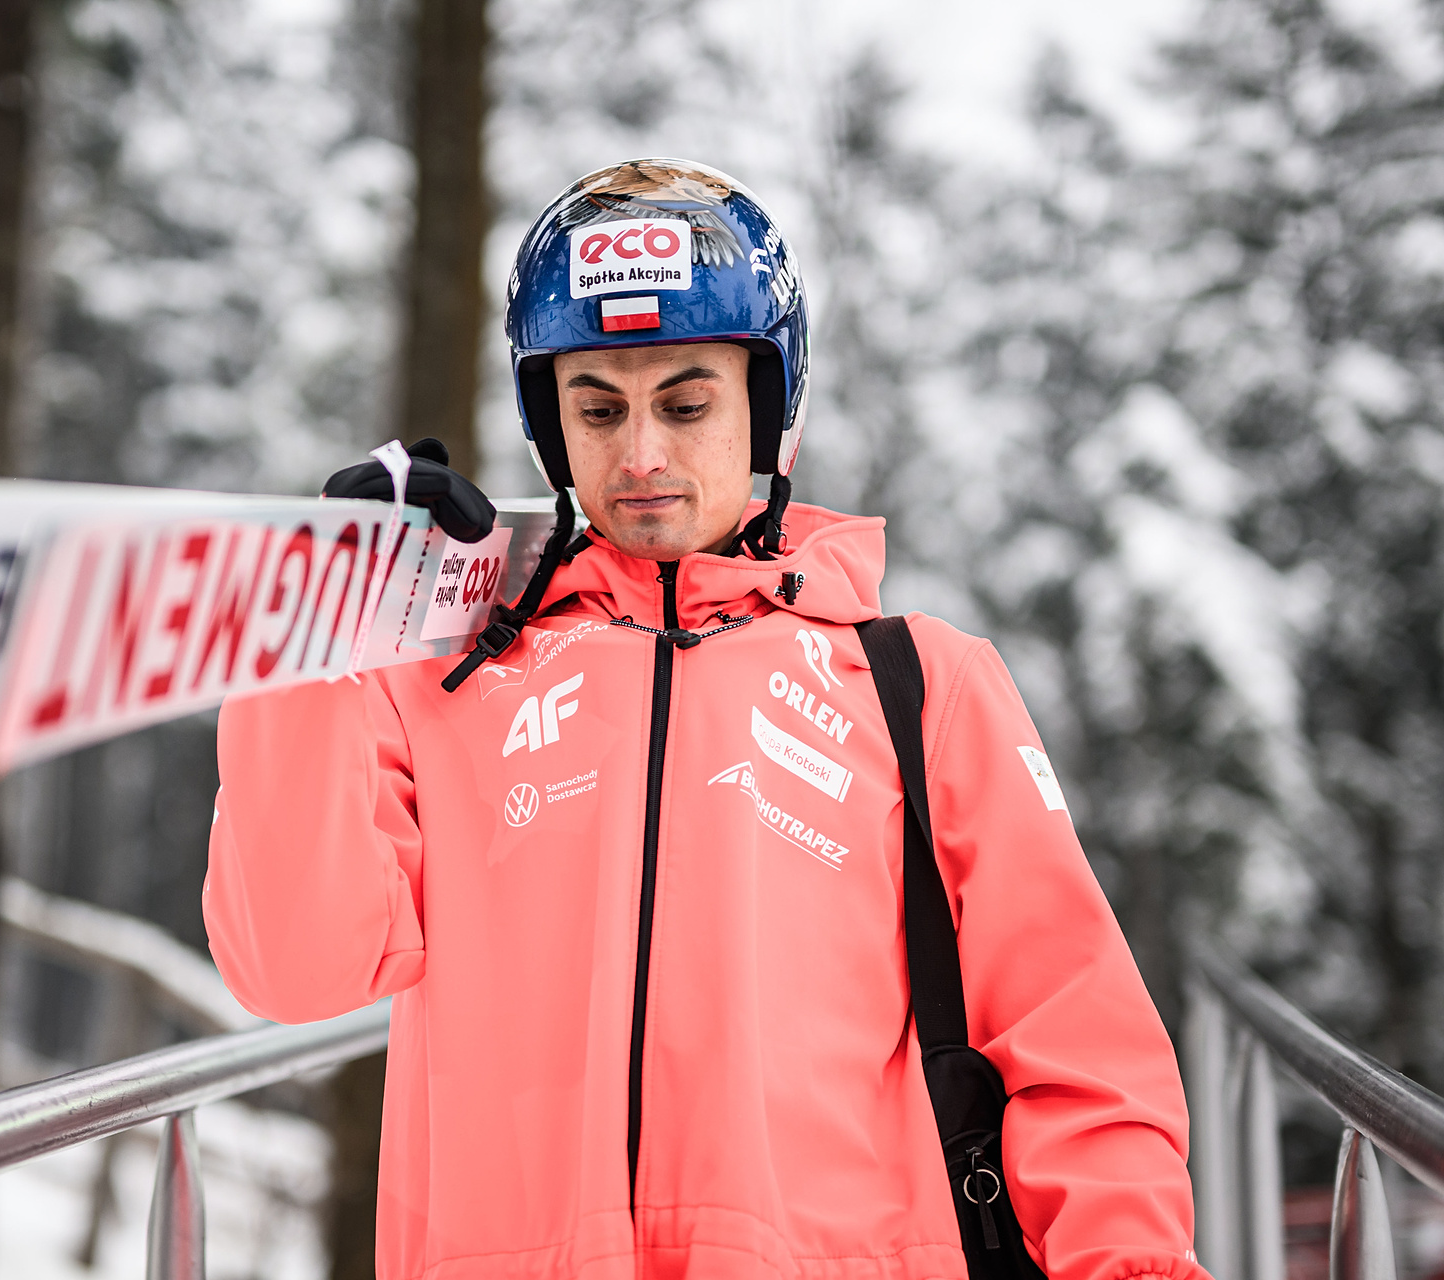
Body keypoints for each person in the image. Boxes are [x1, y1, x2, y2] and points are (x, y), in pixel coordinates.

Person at [205, 159, 1205, 1280]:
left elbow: (1075, 1041)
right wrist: (320, 629)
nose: (640, 456)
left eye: (686, 404)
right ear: (551, 423)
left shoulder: (919, 681)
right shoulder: (445, 683)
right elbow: (296, 971)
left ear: (768, 408)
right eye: (597, 407)